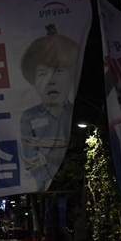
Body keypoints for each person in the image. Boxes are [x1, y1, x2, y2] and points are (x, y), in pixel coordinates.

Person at [19, 24, 80, 191]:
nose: (51, 81)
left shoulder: (76, 114)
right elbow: (29, 156)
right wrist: (47, 180)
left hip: (76, 185)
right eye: (42, 74)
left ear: (71, 78)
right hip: (44, 188)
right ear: (34, 83)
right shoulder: (28, 117)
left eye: (59, 72)